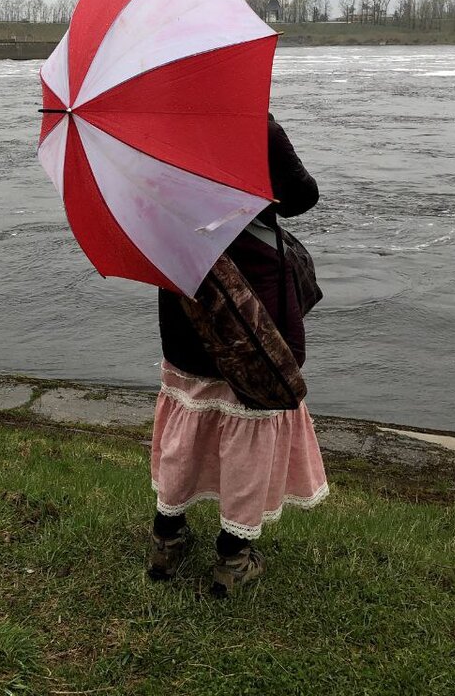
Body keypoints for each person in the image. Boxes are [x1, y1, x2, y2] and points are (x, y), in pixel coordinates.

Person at [147, 113, 329, 594]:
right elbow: (301, 197)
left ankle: (166, 540)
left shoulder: (148, 131)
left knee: (185, 423)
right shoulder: (252, 124)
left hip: (184, 291)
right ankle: (233, 558)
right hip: (252, 301)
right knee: (251, 414)